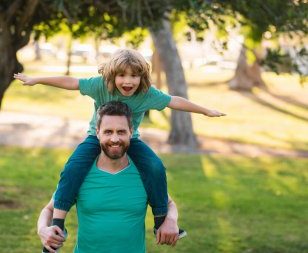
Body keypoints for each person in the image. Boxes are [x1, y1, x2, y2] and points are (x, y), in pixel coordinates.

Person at [14, 48, 225, 244]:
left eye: (134, 75)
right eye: (122, 75)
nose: (128, 80)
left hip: (130, 140)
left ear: (142, 78)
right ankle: (58, 224)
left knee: (155, 167)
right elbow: (71, 82)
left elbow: (174, 101)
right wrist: (36, 79)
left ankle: (160, 221)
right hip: (95, 138)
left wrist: (205, 111)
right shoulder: (101, 86)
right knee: (72, 168)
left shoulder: (147, 94)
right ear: (112, 76)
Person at [37, 101, 184, 252]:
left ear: (131, 132)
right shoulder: (79, 173)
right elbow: (49, 209)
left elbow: (169, 204)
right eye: (108, 132)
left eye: (121, 132)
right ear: (97, 132)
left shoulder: (145, 173)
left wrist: (171, 220)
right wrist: (43, 229)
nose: (115, 139)